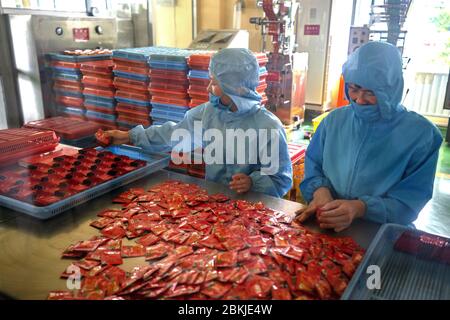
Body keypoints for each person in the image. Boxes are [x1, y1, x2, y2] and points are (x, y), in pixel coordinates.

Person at [105, 48, 293, 198]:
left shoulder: (268, 127)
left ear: (236, 88)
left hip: (253, 211)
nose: (208, 88)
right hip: (216, 204)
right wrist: (129, 136)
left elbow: (280, 179)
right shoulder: (208, 114)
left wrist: (253, 182)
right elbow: (174, 135)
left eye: (214, 83)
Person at [297, 41, 443, 232]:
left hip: (382, 230)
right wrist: (320, 192)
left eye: (370, 93)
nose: (359, 100)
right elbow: (313, 164)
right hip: (327, 221)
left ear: (392, 90)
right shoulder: (333, 122)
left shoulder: (421, 136)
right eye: (354, 89)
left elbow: (410, 200)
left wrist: (360, 208)